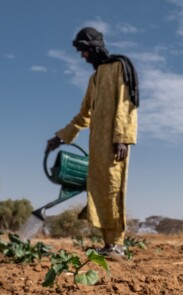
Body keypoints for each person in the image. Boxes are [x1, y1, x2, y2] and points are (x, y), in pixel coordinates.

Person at [46, 27, 139, 259]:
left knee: (113, 190)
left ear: (95, 47)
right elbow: (83, 116)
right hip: (96, 147)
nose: (83, 56)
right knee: (98, 192)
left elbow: (126, 105)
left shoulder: (119, 67)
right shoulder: (94, 78)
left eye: (85, 51)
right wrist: (59, 137)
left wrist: (122, 139)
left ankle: (118, 245)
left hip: (114, 145)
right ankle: (108, 245)